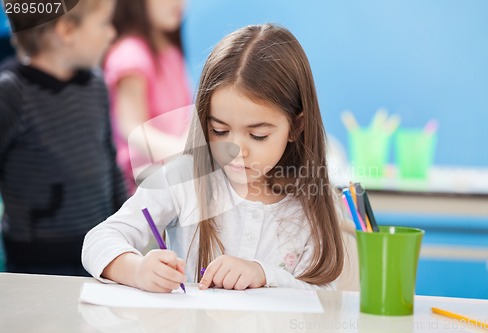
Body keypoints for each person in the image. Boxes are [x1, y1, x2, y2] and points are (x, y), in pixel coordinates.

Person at [82, 24, 359, 291]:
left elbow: (324, 293)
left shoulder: (311, 204)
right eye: (220, 130)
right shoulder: (183, 181)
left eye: (258, 135)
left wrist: (263, 274)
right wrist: (137, 270)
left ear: (296, 127)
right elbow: (98, 239)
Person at [0, 0, 127, 276]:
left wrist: (125, 222)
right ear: (67, 30)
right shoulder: (12, 93)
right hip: (36, 264)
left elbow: (108, 160)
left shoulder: (95, 84)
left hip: (98, 253)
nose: (112, 33)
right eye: (104, 22)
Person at [104, 0, 192, 192]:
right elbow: (131, 128)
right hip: (146, 189)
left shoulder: (169, 49)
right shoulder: (130, 55)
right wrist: (185, 155)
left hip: (176, 181)